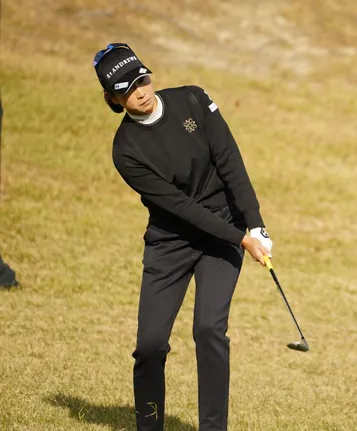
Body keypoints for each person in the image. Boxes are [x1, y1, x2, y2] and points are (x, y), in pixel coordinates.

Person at [93, 43, 273, 431]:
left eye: (142, 79)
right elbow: (180, 207)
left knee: (209, 329)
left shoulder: (193, 100)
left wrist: (256, 223)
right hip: (170, 241)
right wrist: (242, 239)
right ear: (112, 99)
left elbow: (229, 159)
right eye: (127, 89)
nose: (141, 91)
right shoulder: (126, 150)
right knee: (149, 345)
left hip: (221, 232)